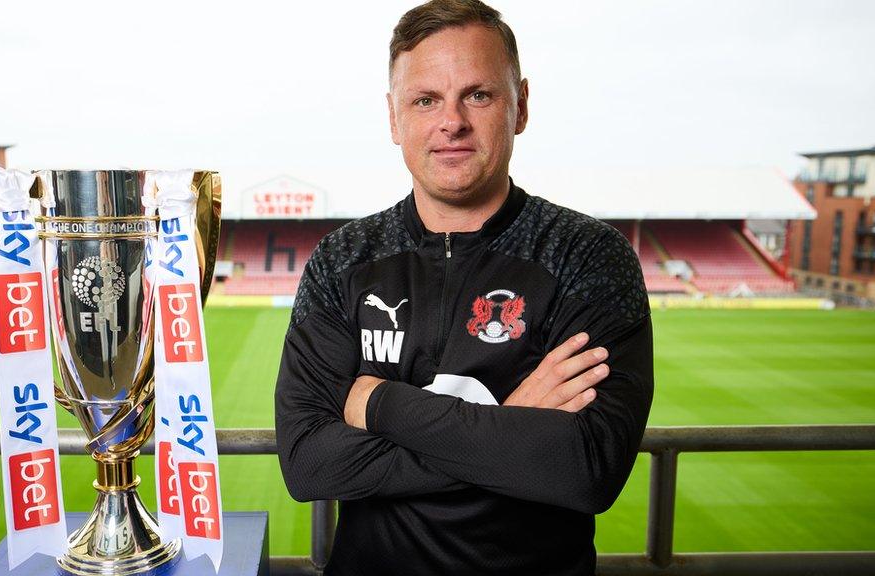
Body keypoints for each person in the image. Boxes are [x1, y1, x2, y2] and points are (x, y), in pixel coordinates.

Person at [274, 1, 653, 574]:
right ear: (394, 118)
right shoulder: (342, 261)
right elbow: (309, 465)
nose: (451, 121)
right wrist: (506, 422)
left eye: (478, 95)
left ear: (520, 105)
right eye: (425, 100)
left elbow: (585, 468)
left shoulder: (588, 256)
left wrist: (377, 401)